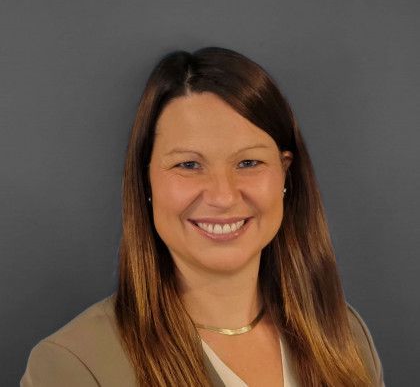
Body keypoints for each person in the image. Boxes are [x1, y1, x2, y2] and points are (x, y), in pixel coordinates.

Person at [21, 47, 384, 386]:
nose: (223, 196)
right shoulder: (75, 365)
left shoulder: (344, 335)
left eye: (248, 162)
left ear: (285, 174)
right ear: (145, 181)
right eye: (189, 165)